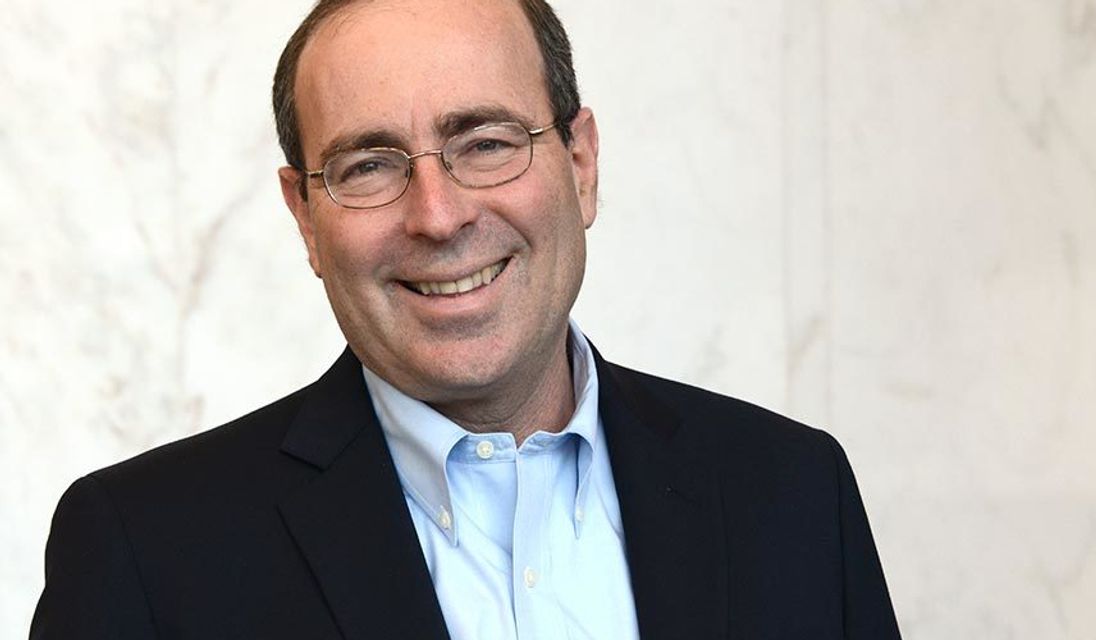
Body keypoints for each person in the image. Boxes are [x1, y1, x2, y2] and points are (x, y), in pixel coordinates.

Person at [30, 0, 900, 638]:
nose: (439, 216)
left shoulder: (792, 493)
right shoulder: (144, 552)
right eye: (369, 166)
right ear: (306, 218)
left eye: (486, 143)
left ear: (582, 164)